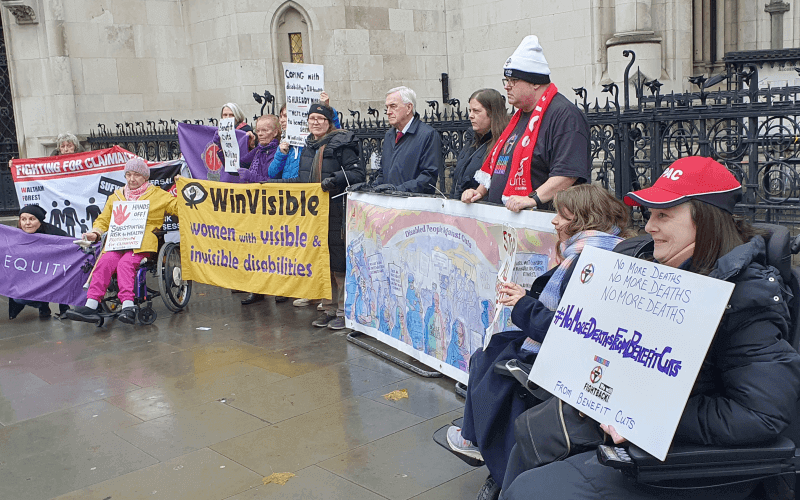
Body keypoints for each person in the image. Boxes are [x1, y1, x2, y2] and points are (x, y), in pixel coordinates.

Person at [500, 156, 800, 500]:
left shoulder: (746, 296)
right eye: (650, 214)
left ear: (705, 220)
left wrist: (647, 415)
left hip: (683, 460)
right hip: (614, 424)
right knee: (527, 435)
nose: (649, 227)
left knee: (531, 491)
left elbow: (760, 415)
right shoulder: (647, 269)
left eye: (664, 215)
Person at [447, 184, 633, 489]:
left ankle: (476, 438)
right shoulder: (601, 249)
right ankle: (474, 436)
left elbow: (563, 327)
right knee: (494, 347)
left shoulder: (587, 261)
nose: (554, 221)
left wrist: (522, 303)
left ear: (583, 218)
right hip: (568, 349)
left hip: (560, 356)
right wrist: (524, 298)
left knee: (486, 357)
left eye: (562, 215)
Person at [461, 36, 590, 212]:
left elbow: (568, 173)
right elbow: (504, 161)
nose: (507, 87)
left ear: (535, 82)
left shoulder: (565, 116)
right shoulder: (519, 116)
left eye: (513, 81)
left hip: (542, 221)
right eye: (506, 81)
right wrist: (479, 192)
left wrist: (532, 199)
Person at [66, 158, 178, 325]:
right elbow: (103, 220)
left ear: (145, 177)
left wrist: (182, 187)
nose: (132, 179)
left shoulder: (159, 195)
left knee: (125, 264)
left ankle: (128, 304)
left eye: (137, 175)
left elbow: (178, 207)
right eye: (128, 174)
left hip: (142, 242)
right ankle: (91, 303)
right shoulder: (116, 196)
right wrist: (95, 232)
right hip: (118, 240)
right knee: (104, 261)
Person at [287, 103, 365, 329]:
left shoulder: (342, 143)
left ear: (329, 121)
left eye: (320, 118)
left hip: (337, 211)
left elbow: (358, 173)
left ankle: (343, 310)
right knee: (323, 262)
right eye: (312, 118)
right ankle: (328, 308)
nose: (315, 122)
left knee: (339, 262)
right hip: (315, 215)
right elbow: (302, 180)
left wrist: (335, 180)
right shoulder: (309, 147)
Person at [237, 114, 283, 306]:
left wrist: (250, 175)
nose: (261, 134)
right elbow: (238, 162)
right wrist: (222, 145)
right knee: (254, 250)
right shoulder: (258, 150)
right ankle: (257, 289)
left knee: (275, 249)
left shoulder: (277, 152)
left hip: (272, 207)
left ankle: (281, 288)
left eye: (265, 130)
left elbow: (270, 177)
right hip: (254, 206)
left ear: (275, 132)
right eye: (258, 130)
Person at [369, 86, 443, 194]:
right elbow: (383, 172)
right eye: (387, 108)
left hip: (413, 206)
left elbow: (428, 178)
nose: (388, 112)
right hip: (389, 204)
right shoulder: (389, 135)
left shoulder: (428, 135)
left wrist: (399, 190)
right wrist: (372, 189)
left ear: (409, 108)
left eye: (393, 106)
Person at [7, 205, 71, 320]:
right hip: (32, 277)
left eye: (32, 219)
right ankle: (42, 305)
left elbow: (71, 246)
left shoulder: (54, 233)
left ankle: (64, 308)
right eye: (23, 219)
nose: (27, 223)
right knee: (18, 298)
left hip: (54, 275)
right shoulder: (15, 238)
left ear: (40, 221)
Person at [451, 89, 510, 200]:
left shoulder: (504, 144)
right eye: (470, 110)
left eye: (476, 111)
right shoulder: (472, 140)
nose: (470, 116)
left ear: (492, 113)